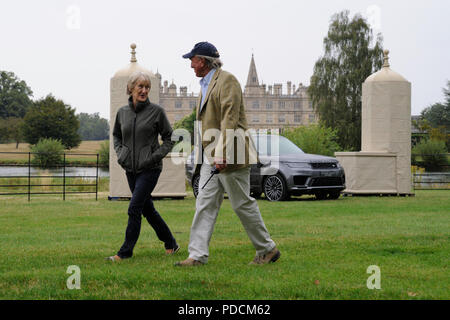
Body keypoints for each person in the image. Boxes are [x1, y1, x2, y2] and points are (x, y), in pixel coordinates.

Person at [175, 42, 280, 266]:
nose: (190, 65)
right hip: (209, 158)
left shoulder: (227, 80)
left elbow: (229, 119)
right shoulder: (204, 84)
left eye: (192, 60)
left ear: (202, 61)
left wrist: (222, 154)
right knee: (204, 203)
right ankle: (197, 255)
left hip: (230, 156)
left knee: (242, 204)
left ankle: (267, 249)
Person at [107, 71, 179, 262]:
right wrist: (121, 153)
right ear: (130, 89)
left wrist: (155, 157)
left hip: (150, 169)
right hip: (130, 169)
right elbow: (116, 136)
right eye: (140, 86)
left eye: (147, 87)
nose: (144, 90)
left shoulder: (156, 112)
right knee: (148, 210)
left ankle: (124, 253)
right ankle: (170, 242)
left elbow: (170, 139)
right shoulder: (122, 113)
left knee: (134, 208)